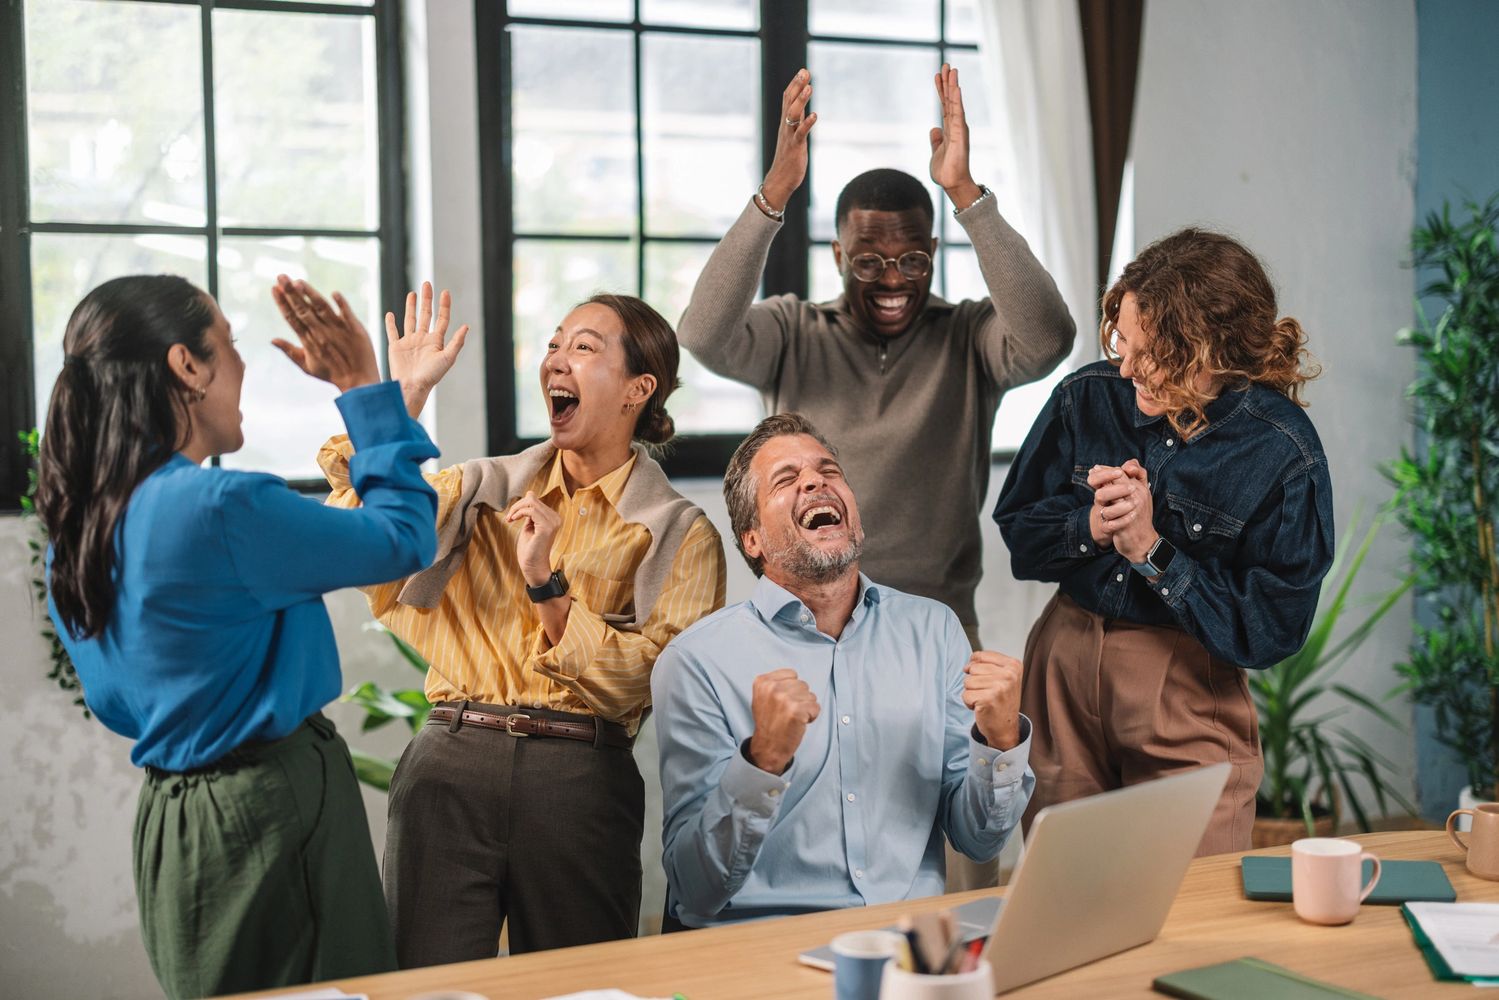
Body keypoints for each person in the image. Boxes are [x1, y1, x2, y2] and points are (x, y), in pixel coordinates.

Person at [38, 274, 439, 999]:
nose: (245, 365)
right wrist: (360, 383)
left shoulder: (80, 525)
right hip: (271, 808)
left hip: (173, 817)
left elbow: (118, 701)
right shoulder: (222, 507)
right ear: (186, 366)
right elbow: (404, 537)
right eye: (228, 345)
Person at [315, 286, 727, 964]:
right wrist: (403, 401)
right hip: (449, 764)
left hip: (580, 780)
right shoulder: (479, 490)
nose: (556, 361)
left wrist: (547, 587)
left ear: (637, 389)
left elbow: (653, 679)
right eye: (553, 345)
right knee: (427, 986)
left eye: (584, 348)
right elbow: (357, 538)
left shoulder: (679, 533)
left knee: (580, 984)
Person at [677, 64, 1075, 648]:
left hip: (937, 628)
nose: (893, 281)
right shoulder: (794, 332)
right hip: (804, 624)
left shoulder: (968, 336)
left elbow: (1049, 338)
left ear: (934, 251)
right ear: (838, 254)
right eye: (868, 261)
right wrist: (773, 196)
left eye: (913, 259)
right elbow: (703, 333)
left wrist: (967, 195)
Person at [992, 228, 1335, 856]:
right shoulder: (1085, 396)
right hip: (1062, 672)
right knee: (1067, 902)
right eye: (1122, 340)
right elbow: (1019, 538)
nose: (1125, 367)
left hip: (1186, 684)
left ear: (1217, 350)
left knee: (1193, 909)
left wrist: (1153, 549)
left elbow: (1270, 631)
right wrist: (1094, 526)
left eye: (1151, 353)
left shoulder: (1283, 453)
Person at [652, 413, 1033, 928]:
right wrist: (762, 761)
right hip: (764, 947)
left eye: (829, 472)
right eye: (786, 480)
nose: (815, 481)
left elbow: (979, 838)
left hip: (907, 940)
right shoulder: (695, 661)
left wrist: (1001, 739)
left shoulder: (933, 629)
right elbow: (695, 891)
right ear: (753, 541)